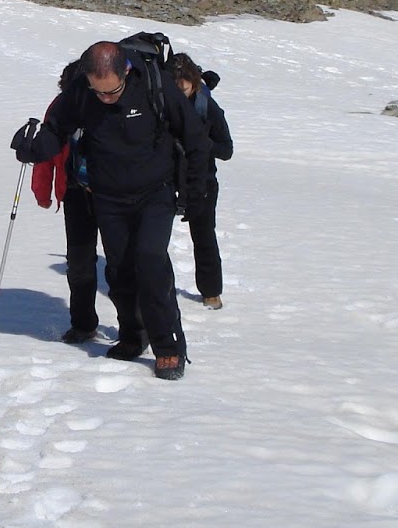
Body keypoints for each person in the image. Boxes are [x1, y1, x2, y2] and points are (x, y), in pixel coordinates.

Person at [12, 41, 210, 380]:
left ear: (126, 73)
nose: (105, 98)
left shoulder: (153, 83)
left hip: (155, 192)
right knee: (119, 272)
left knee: (149, 262)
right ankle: (133, 337)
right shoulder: (81, 91)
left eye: (112, 91)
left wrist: (194, 193)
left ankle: (167, 346)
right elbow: (57, 130)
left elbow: (195, 138)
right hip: (108, 197)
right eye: (98, 92)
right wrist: (32, 147)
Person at [31, 60, 99, 343]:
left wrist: (43, 193)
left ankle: (130, 328)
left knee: (112, 262)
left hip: (113, 194)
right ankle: (84, 324)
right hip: (75, 192)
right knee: (81, 261)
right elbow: (46, 151)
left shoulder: (109, 104)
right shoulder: (59, 108)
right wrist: (43, 192)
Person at [166, 54, 234, 308]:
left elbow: (226, 150)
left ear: (193, 82)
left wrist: (200, 144)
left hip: (201, 181)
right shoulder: (162, 103)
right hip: (166, 179)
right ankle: (159, 288)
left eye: (183, 87)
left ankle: (211, 291)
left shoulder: (207, 107)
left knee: (204, 237)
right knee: (154, 239)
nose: (179, 93)